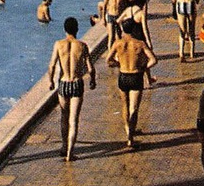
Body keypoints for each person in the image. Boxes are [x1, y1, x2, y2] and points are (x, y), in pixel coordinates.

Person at [47, 16, 96, 162]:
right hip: (76, 83)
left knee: (64, 116)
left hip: (63, 83)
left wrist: (50, 81)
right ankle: (70, 153)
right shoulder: (82, 45)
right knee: (73, 120)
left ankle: (63, 145)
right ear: (77, 30)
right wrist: (93, 80)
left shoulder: (58, 44)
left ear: (64, 29)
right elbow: (90, 68)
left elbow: (52, 65)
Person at [105, 19, 156, 149]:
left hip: (123, 75)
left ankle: (128, 131)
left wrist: (118, 64)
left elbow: (108, 60)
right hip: (136, 75)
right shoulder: (140, 44)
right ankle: (131, 139)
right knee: (134, 108)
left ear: (122, 29)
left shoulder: (118, 44)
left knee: (125, 105)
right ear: (133, 29)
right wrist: (143, 68)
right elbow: (153, 60)